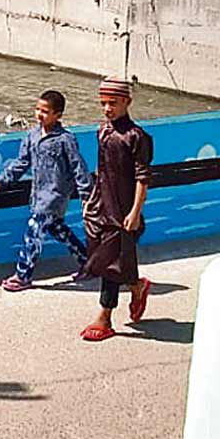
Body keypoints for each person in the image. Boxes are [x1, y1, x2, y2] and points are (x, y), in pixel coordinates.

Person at [0, 89, 94, 292]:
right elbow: (22, 162)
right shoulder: (32, 135)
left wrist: (86, 195)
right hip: (37, 195)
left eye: (45, 111)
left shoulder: (65, 139)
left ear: (58, 114)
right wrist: (2, 180)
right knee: (59, 230)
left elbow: (78, 167)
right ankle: (89, 263)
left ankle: (23, 275)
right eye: (37, 109)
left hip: (54, 196)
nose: (39, 114)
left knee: (33, 232)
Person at [79, 77, 154, 342]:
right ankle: (137, 286)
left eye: (113, 103)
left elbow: (142, 178)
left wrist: (135, 212)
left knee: (111, 263)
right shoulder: (103, 131)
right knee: (111, 260)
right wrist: (91, 199)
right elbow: (101, 170)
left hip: (123, 212)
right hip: (102, 206)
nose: (107, 108)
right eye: (103, 103)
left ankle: (105, 317)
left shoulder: (137, 137)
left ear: (127, 102)